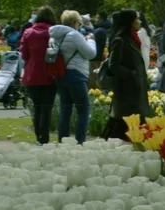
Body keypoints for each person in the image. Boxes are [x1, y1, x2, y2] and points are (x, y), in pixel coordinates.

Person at [101, 9, 151, 136]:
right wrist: (131, 74)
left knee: (135, 122)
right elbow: (113, 65)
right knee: (122, 123)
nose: (139, 21)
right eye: (137, 19)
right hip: (126, 89)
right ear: (130, 21)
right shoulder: (120, 40)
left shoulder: (134, 38)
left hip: (136, 87)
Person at [50, 9, 96, 143]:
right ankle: (79, 141)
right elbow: (91, 54)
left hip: (60, 74)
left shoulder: (54, 36)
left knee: (65, 109)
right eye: (79, 23)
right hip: (75, 73)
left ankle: (63, 140)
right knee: (83, 109)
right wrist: (91, 41)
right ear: (75, 22)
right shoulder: (75, 35)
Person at [18, 8, 61, 144]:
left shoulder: (28, 32)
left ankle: (38, 135)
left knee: (37, 106)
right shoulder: (53, 32)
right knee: (46, 107)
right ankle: (44, 135)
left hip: (32, 73)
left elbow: (24, 54)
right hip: (49, 72)